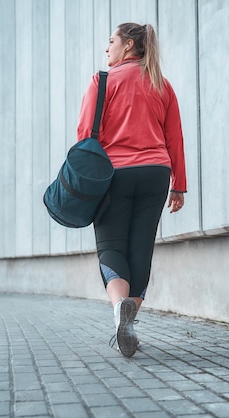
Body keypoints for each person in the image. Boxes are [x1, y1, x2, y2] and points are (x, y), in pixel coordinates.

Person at [77, 23, 187, 357]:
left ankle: (119, 312)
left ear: (127, 46)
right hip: (156, 174)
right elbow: (175, 139)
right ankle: (129, 321)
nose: (105, 48)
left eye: (110, 42)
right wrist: (178, 186)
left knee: (111, 248)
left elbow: (85, 133)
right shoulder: (162, 85)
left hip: (115, 174)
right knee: (141, 249)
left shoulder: (103, 81)